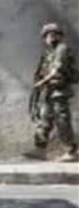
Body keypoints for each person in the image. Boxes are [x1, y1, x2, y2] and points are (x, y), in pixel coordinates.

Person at [27, 23, 78, 161]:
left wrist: (41, 83)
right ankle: (40, 149)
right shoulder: (48, 53)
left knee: (62, 121)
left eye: (54, 34)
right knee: (44, 119)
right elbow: (42, 71)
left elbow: (57, 69)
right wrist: (39, 83)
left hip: (60, 91)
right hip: (49, 91)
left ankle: (71, 151)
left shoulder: (62, 49)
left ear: (59, 36)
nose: (51, 37)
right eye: (48, 35)